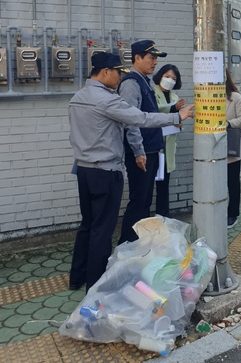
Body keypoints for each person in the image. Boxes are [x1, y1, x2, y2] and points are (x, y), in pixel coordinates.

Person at [68, 52, 193, 291]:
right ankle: (96, 285)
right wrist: (178, 116)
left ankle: (77, 277)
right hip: (105, 171)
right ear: (105, 72)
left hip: (83, 171)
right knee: (102, 230)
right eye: (117, 72)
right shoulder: (106, 99)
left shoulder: (79, 96)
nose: (119, 78)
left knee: (88, 225)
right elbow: (139, 118)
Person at [118, 40, 168, 244]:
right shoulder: (131, 83)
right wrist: (139, 151)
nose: (155, 62)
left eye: (156, 58)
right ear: (137, 58)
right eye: (151, 58)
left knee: (146, 200)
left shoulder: (144, 81)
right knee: (139, 201)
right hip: (142, 153)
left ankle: (140, 243)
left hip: (151, 150)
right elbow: (131, 120)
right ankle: (126, 245)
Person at [152, 64, 186, 217]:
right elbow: (154, 111)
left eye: (173, 78)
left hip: (168, 147)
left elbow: (178, 121)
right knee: (147, 187)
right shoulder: (152, 92)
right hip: (153, 147)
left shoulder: (175, 97)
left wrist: (179, 123)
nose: (170, 80)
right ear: (160, 76)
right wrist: (174, 109)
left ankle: (163, 217)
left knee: (164, 186)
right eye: (167, 76)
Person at [225, 68, 241, 229]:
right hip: (211, 146)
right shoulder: (204, 96)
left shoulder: (235, 97)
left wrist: (227, 123)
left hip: (231, 144)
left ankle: (233, 214)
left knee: (232, 182)